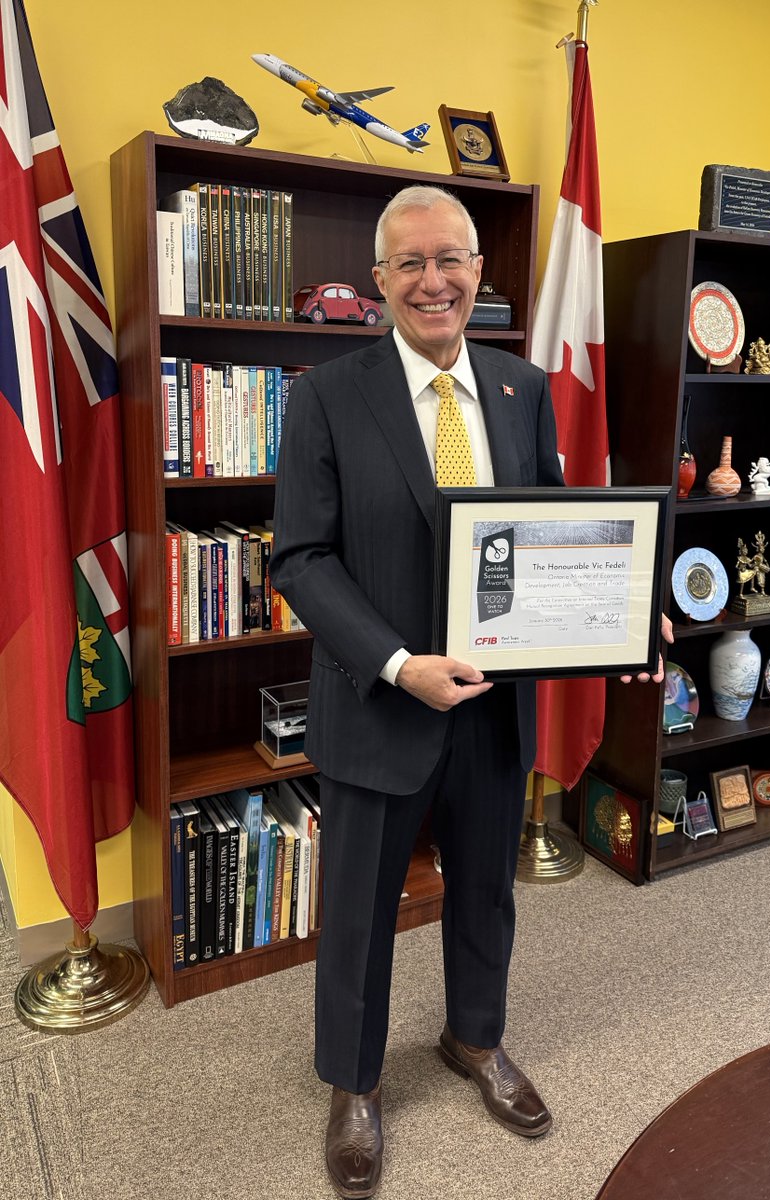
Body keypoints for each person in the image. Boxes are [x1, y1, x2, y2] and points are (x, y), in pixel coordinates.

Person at [271, 185, 668, 1200]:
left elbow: (550, 531)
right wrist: (400, 664)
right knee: (358, 908)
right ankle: (353, 1085)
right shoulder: (326, 394)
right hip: (379, 700)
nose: (431, 280)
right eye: (408, 263)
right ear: (378, 283)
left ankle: (474, 1040)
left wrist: (624, 610)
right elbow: (303, 560)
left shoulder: (519, 388)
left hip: (494, 704)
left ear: (479, 274)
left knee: (486, 888)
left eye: (450, 259)